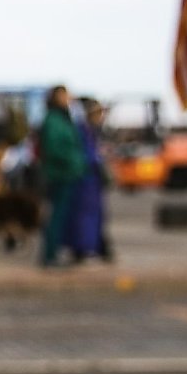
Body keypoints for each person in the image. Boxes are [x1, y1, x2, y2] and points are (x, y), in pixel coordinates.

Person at [36, 85, 84, 267]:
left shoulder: (62, 118)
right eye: (65, 95)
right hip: (60, 174)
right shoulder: (55, 120)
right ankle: (50, 255)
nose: (69, 98)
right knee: (57, 215)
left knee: (60, 214)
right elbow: (55, 149)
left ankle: (53, 252)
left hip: (65, 173)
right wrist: (74, 162)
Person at [65, 97, 113, 263]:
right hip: (86, 180)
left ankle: (92, 247)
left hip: (91, 180)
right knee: (85, 217)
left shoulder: (91, 132)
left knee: (92, 216)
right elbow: (88, 156)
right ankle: (83, 249)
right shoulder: (82, 132)